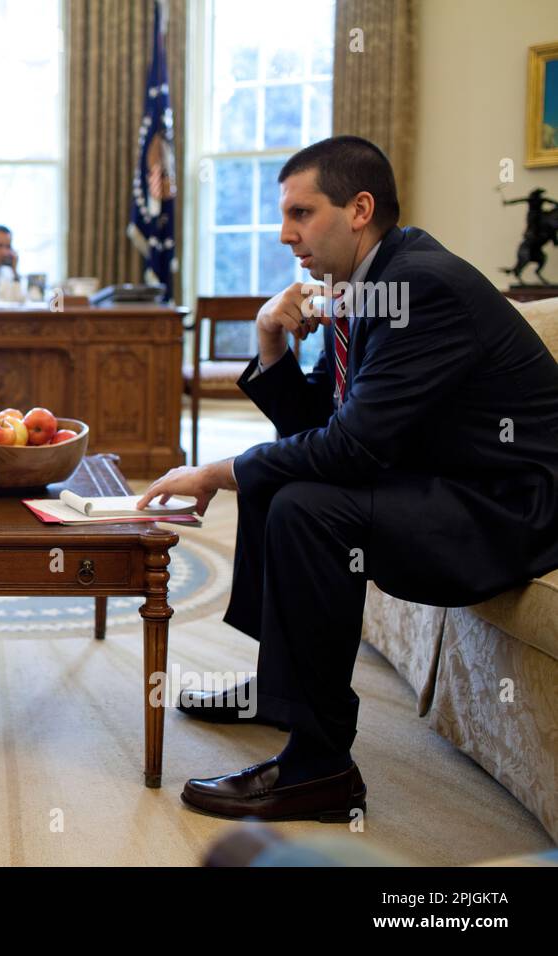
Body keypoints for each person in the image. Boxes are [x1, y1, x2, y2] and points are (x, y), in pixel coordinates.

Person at [137, 135, 558, 822]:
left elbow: (347, 449)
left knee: (304, 504)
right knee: (283, 482)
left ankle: (318, 767)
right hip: (447, 480)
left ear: (359, 208)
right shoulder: (369, 286)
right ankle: (282, 690)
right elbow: (323, 432)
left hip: (508, 509)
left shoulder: (421, 286)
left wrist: (216, 470)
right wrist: (271, 344)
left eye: (301, 213)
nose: (284, 234)